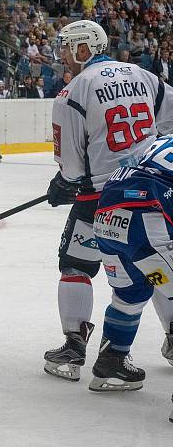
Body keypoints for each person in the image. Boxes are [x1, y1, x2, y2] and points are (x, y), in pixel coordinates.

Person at [43, 19, 173, 382]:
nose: (64, 55)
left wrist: (63, 183)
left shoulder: (72, 93)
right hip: (152, 190)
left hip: (101, 197)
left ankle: (73, 347)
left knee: (75, 265)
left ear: (84, 48)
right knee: (157, 263)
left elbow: (69, 166)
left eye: (68, 47)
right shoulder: (143, 76)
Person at [86, 135, 173, 392]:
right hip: (147, 223)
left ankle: (111, 364)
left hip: (107, 222)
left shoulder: (162, 140)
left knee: (131, 293)